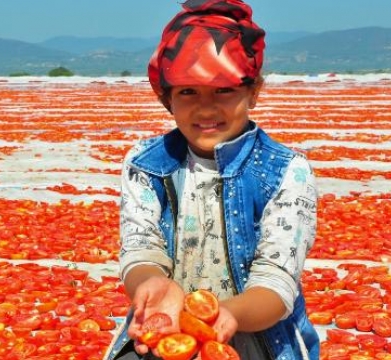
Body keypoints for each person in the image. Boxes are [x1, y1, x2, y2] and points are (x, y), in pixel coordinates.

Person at [105, 0, 319, 359]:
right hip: (167, 332)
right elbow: (140, 246)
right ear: (166, 98)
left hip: (260, 341)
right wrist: (151, 284)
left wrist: (227, 314)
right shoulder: (146, 164)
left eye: (223, 90)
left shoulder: (285, 170)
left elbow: (276, 283)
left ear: (253, 91)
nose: (206, 107)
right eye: (188, 91)